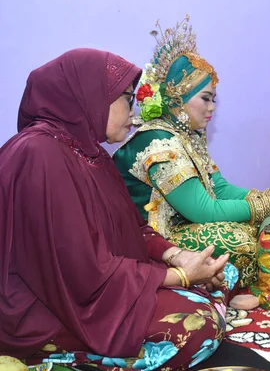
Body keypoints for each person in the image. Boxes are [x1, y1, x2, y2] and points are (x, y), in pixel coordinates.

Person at [0, 48, 239, 369]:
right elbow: (79, 270)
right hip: (47, 306)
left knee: (223, 273)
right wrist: (178, 276)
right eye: (127, 98)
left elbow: (131, 228)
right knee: (194, 326)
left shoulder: (89, 154)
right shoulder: (40, 154)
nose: (134, 109)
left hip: (96, 285)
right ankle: (54, 357)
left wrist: (177, 257)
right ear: (89, 96)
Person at [113, 16, 270, 289]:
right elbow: (203, 210)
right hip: (153, 242)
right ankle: (209, 288)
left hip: (179, 228)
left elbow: (217, 187)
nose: (212, 108)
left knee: (255, 226)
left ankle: (215, 288)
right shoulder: (160, 142)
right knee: (241, 242)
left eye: (213, 99)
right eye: (205, 98)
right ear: (178, 97)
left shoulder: (187, 137)